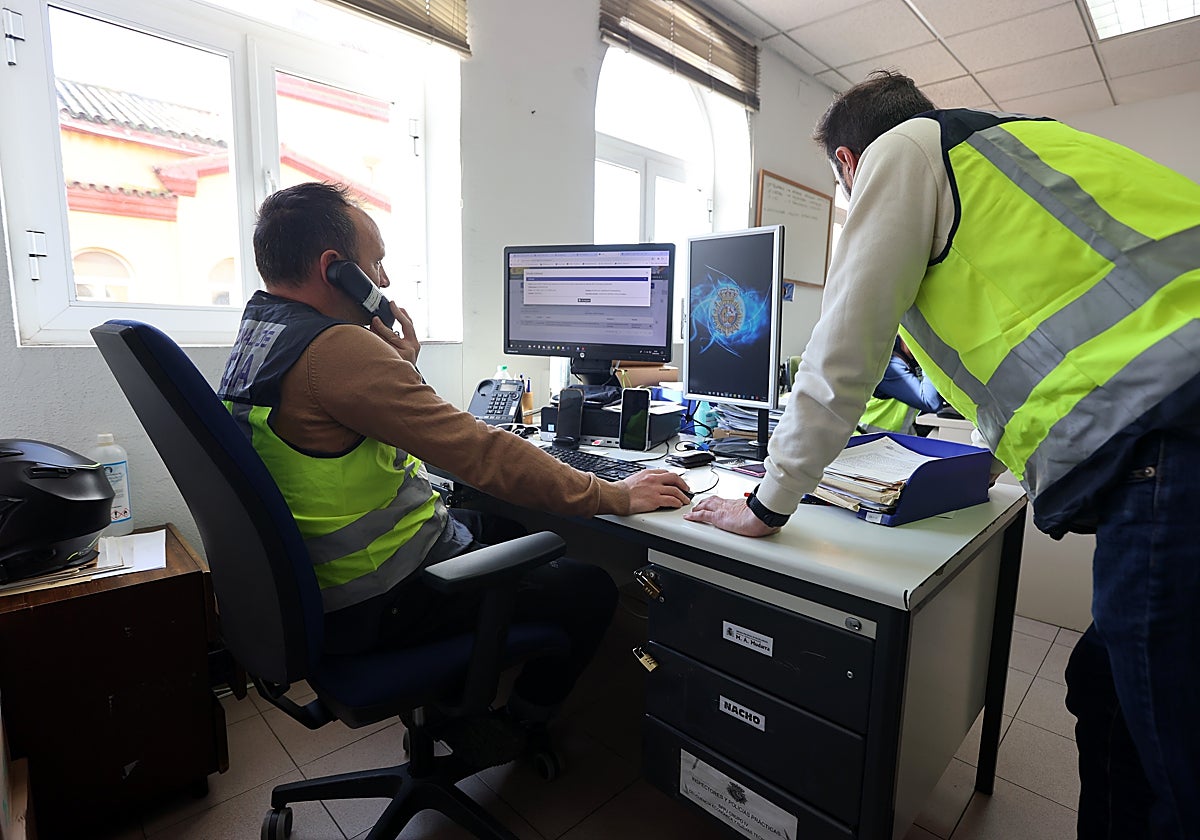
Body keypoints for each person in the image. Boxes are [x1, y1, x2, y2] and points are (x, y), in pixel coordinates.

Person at [685, 71, 1200, 839]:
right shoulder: (1014, 144)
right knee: (1107, 691)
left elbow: (841, 351)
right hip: (1170, 425)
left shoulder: (905, 154)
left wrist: (766, 503)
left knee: (1173, 751)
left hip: (1173, 430)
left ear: (850, 164)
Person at [218, 181, 692, 736]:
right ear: (334, 269)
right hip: (380, 596)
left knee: (505, 526)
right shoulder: (338, 349)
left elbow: (380, 428)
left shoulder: (261, 335)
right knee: (590, 587)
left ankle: (458, 690)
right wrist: (614, 493)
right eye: (376, 264)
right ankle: (515, 726)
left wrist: (405, 366)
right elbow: (480, 451)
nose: (385, 281)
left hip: (321, 589)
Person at [857, 336, 943, 435]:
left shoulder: (912, 356)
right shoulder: (889, 363)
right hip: (865, 436)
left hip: (896, 437)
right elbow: (931, 402)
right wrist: (931, 356)